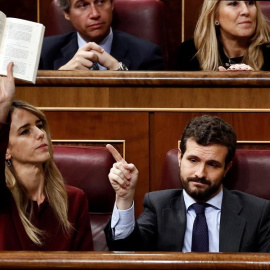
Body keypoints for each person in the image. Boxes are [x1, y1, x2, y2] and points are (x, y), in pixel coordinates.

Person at [104, 115, 270, 252]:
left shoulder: (257, 213)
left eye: (212, 164)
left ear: (227, 168)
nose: (200, 173)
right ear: (179, 158)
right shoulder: (158, 205)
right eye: (193, 160)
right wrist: (124, 198)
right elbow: (124, 251)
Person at [0, 62, 93, 250]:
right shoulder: (3, 200)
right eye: (25, 131)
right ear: (6, 149)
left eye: (40, 125)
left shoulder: (74, 200)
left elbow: (86, 263)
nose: (40, 134)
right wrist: (3, 106)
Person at [39, 0, 164, 71]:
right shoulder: (44, 53)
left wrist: (120, 72)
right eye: (83, 5)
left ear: (112, 5)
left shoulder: (146, 54)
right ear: (67, 13)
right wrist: (60, 80)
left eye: (100, 1)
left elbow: (153, 106)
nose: (94, 14)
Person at [177, 1, 270, 71]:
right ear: (214, 16)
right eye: (234, 4)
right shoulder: (191, 52)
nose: (246, 11)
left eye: (250, 2)